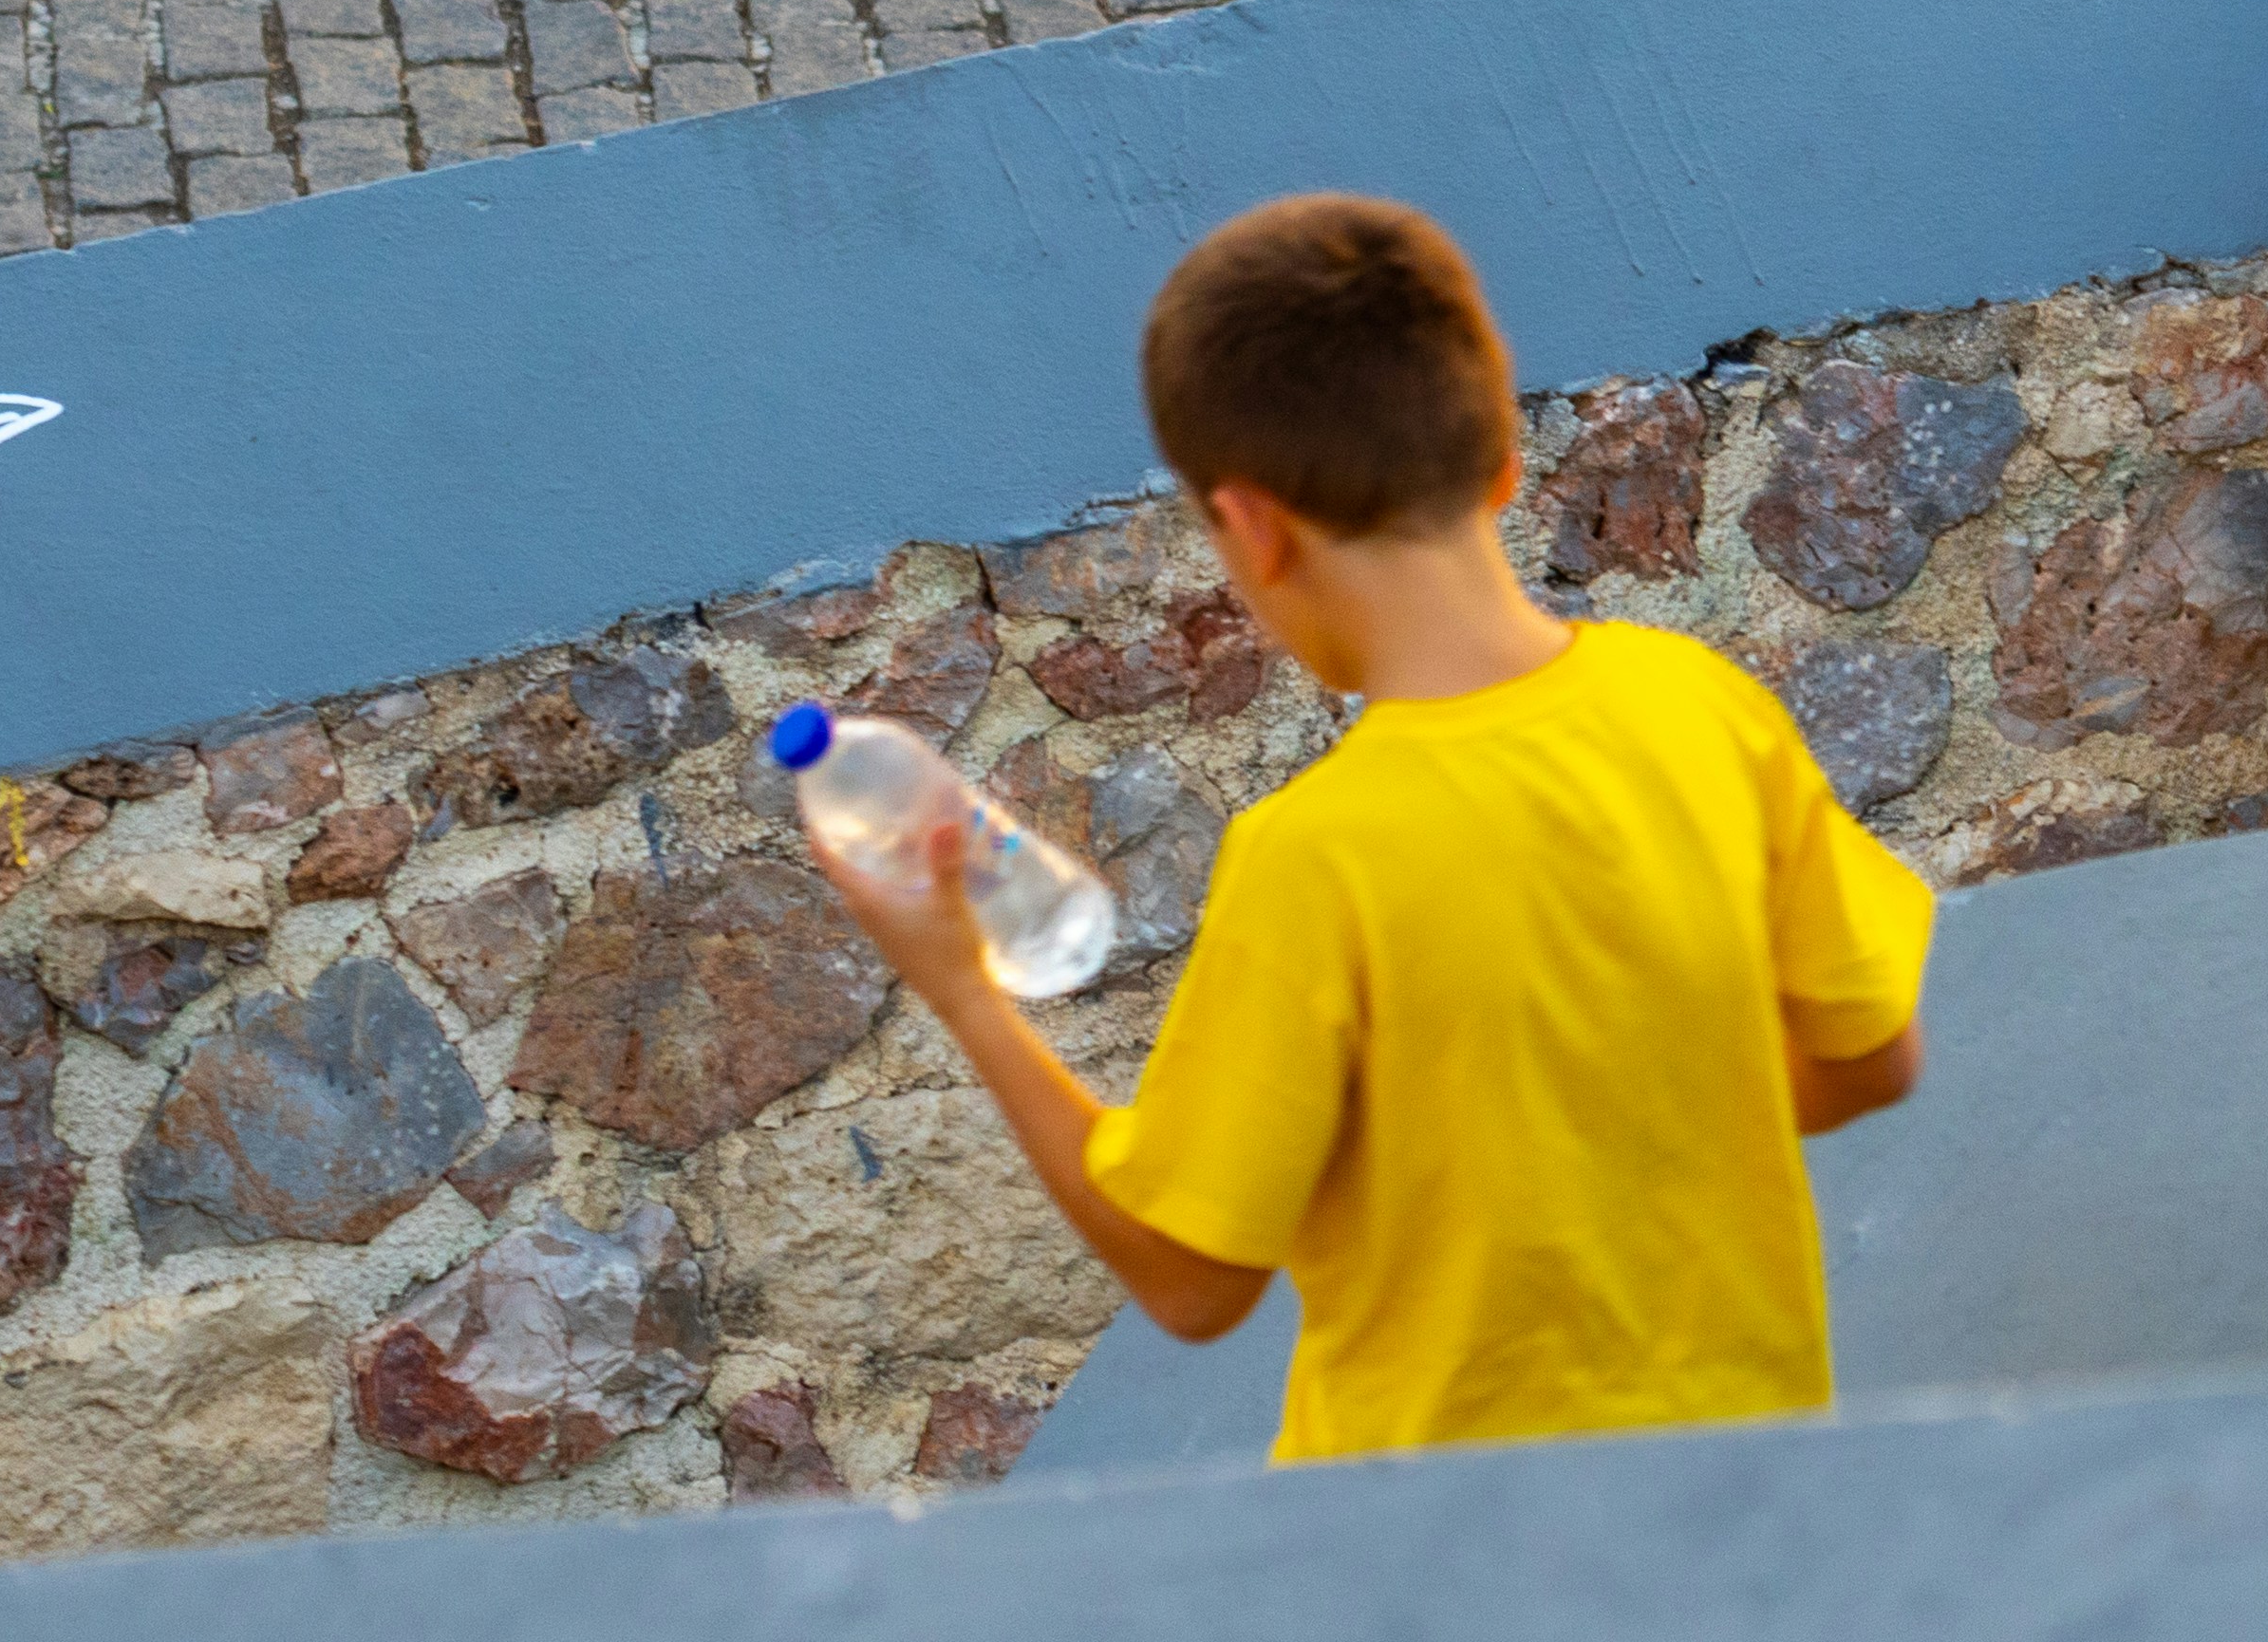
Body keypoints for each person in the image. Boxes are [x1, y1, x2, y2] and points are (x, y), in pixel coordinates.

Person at [810, 193, 1934, 1463]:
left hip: (1429, 1555)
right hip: (1748, 1485)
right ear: (1503, 454)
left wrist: (963, 989)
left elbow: (1191, 1277)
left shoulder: (1313, 856)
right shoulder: (1702, 707)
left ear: (1252, 527)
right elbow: (1872, 1055)